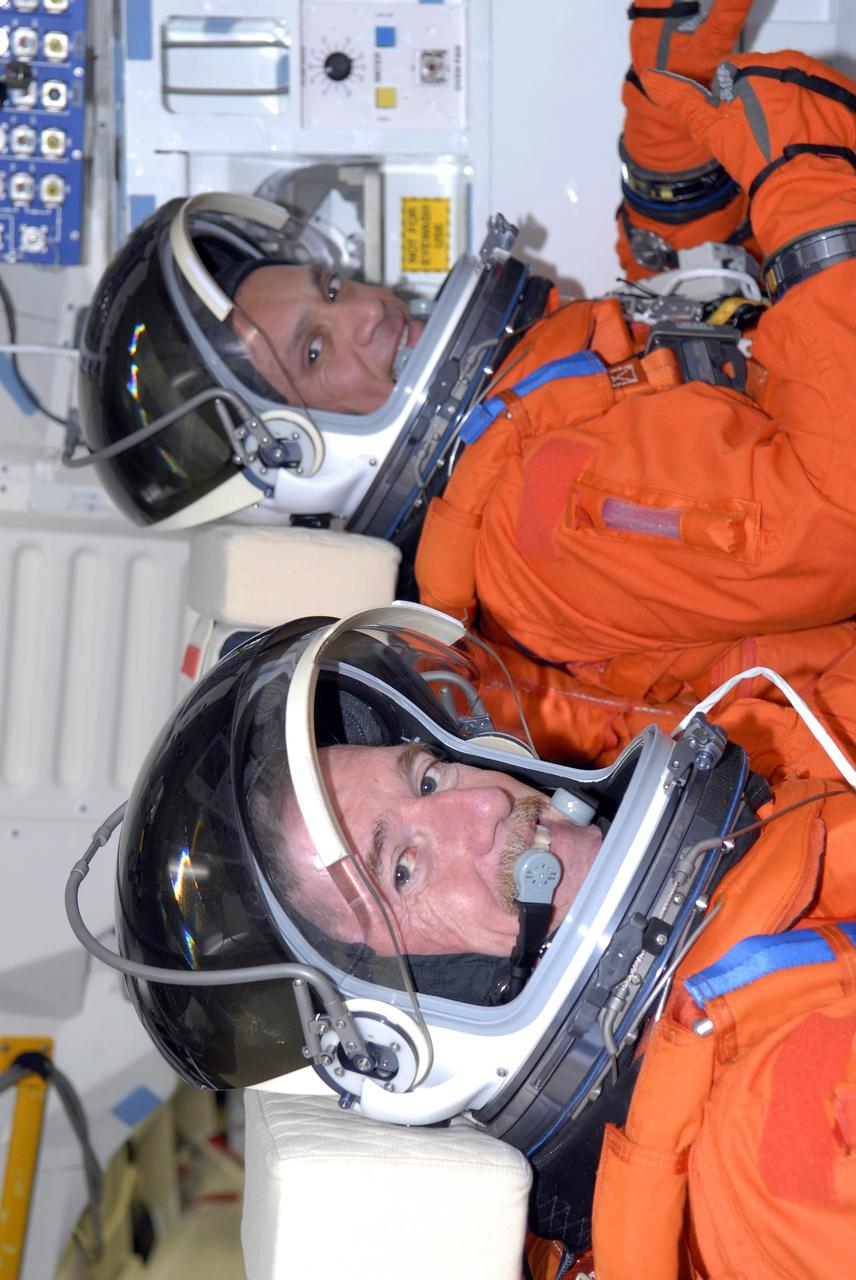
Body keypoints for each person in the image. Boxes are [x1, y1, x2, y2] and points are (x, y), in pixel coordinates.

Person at [77, 5, 856, 790]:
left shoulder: (526, 414)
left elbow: (697, 304)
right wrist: (808, 183)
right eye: (315, 351)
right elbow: (832, 517)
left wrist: (670, 94)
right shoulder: (542, 516)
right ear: (304, 462)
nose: (370, 310)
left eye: (333, 285)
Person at [102, 601, 856, 1280]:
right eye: (401, 869)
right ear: (432, 999)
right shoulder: (780, 1129)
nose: (490, 802)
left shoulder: (770, 829)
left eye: (428, 780)